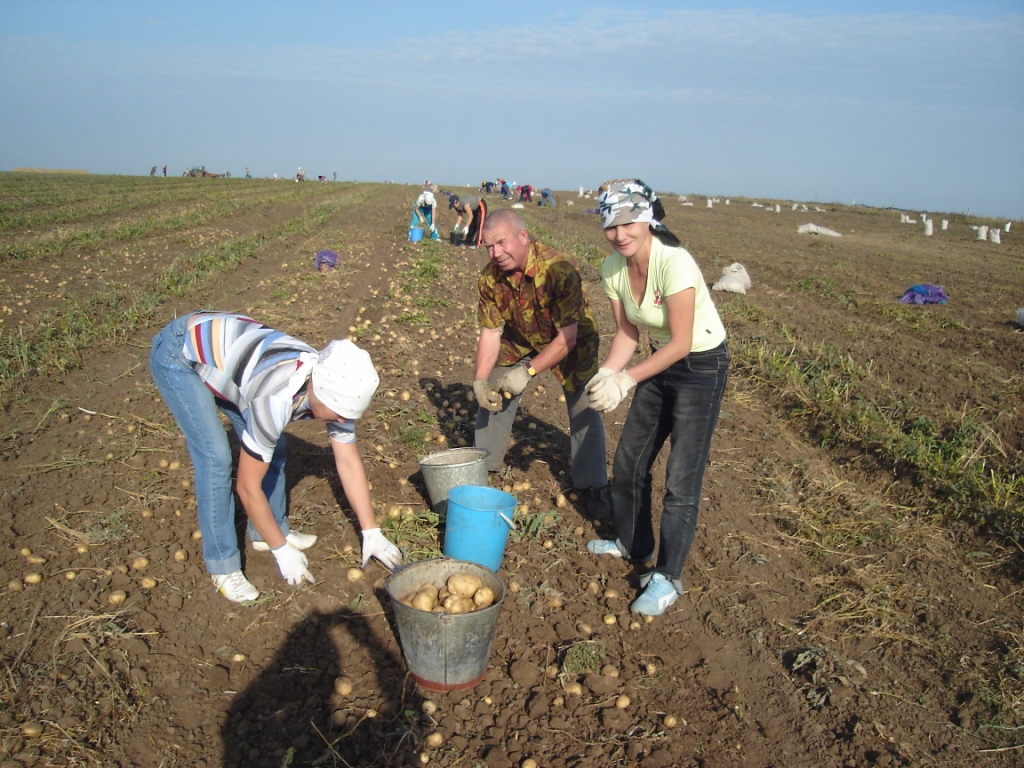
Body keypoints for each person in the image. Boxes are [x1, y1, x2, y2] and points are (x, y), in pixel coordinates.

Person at [149, 311, 403, 603]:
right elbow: (247, 486)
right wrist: (283, 553)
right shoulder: (273, 401)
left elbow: (347, 461)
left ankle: (266, 533)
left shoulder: (336, 384)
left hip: (232, 358)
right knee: (216, 458)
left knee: (275, 447)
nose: (342, 421)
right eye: (339, 414)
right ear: (318, 393)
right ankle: (223, 565)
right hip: (181, 353)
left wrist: (371, 531)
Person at [584, 179, 729, 617]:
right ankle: (632, 542)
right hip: (658, 361)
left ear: (647, 218)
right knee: (629, 461)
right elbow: (628, 332)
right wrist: (607, 371)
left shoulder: (674, 262)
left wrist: (626, 381)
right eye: (611, 225)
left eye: (629, 222)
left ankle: (667, 577)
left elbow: (681, 342)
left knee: (681, 478)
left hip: (700, 367)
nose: (620, 233)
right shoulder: (613, 268)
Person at [472, 209, 609, 516]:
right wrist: (480, 380)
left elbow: (567, 339)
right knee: (496, 383)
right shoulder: (489, 279)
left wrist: (529, 370)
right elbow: (491, 332)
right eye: (489, 246)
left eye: (502, 243)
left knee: (584, 403)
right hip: (521, 336)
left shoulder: (558, 270)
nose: (496, 253)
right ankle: (484, 467)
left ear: (523, 237)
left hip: (571, 339)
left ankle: (593, 486)